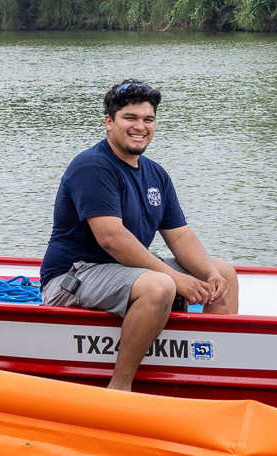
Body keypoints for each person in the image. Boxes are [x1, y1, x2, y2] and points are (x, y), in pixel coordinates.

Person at [40, 80, 238, 391]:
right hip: (73, 276)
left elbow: (181, 236)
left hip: (122, 272)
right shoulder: (93, 166)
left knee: (224, 272)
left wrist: (210, 274)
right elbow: (111, 239)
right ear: (109, 122)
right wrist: (178, 280)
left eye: (148, 119)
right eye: (130, 118)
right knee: (160, 285)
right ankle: (120, 388)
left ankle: (214, 378)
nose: (140, 127)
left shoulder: (155, 173)